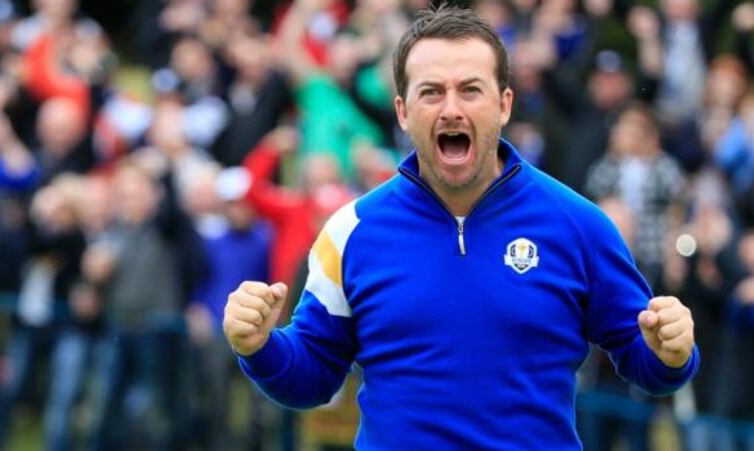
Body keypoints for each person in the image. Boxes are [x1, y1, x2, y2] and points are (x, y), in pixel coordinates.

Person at [223, 6, 699, 449]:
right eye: (431, 92)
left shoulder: (578, 225)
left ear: (505, 104)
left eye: (470, 90)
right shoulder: (350, 231)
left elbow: (643, 357)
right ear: (403, 111)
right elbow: (310, 377)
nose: (451, 108)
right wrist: (260, 347)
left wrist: (673, 353)